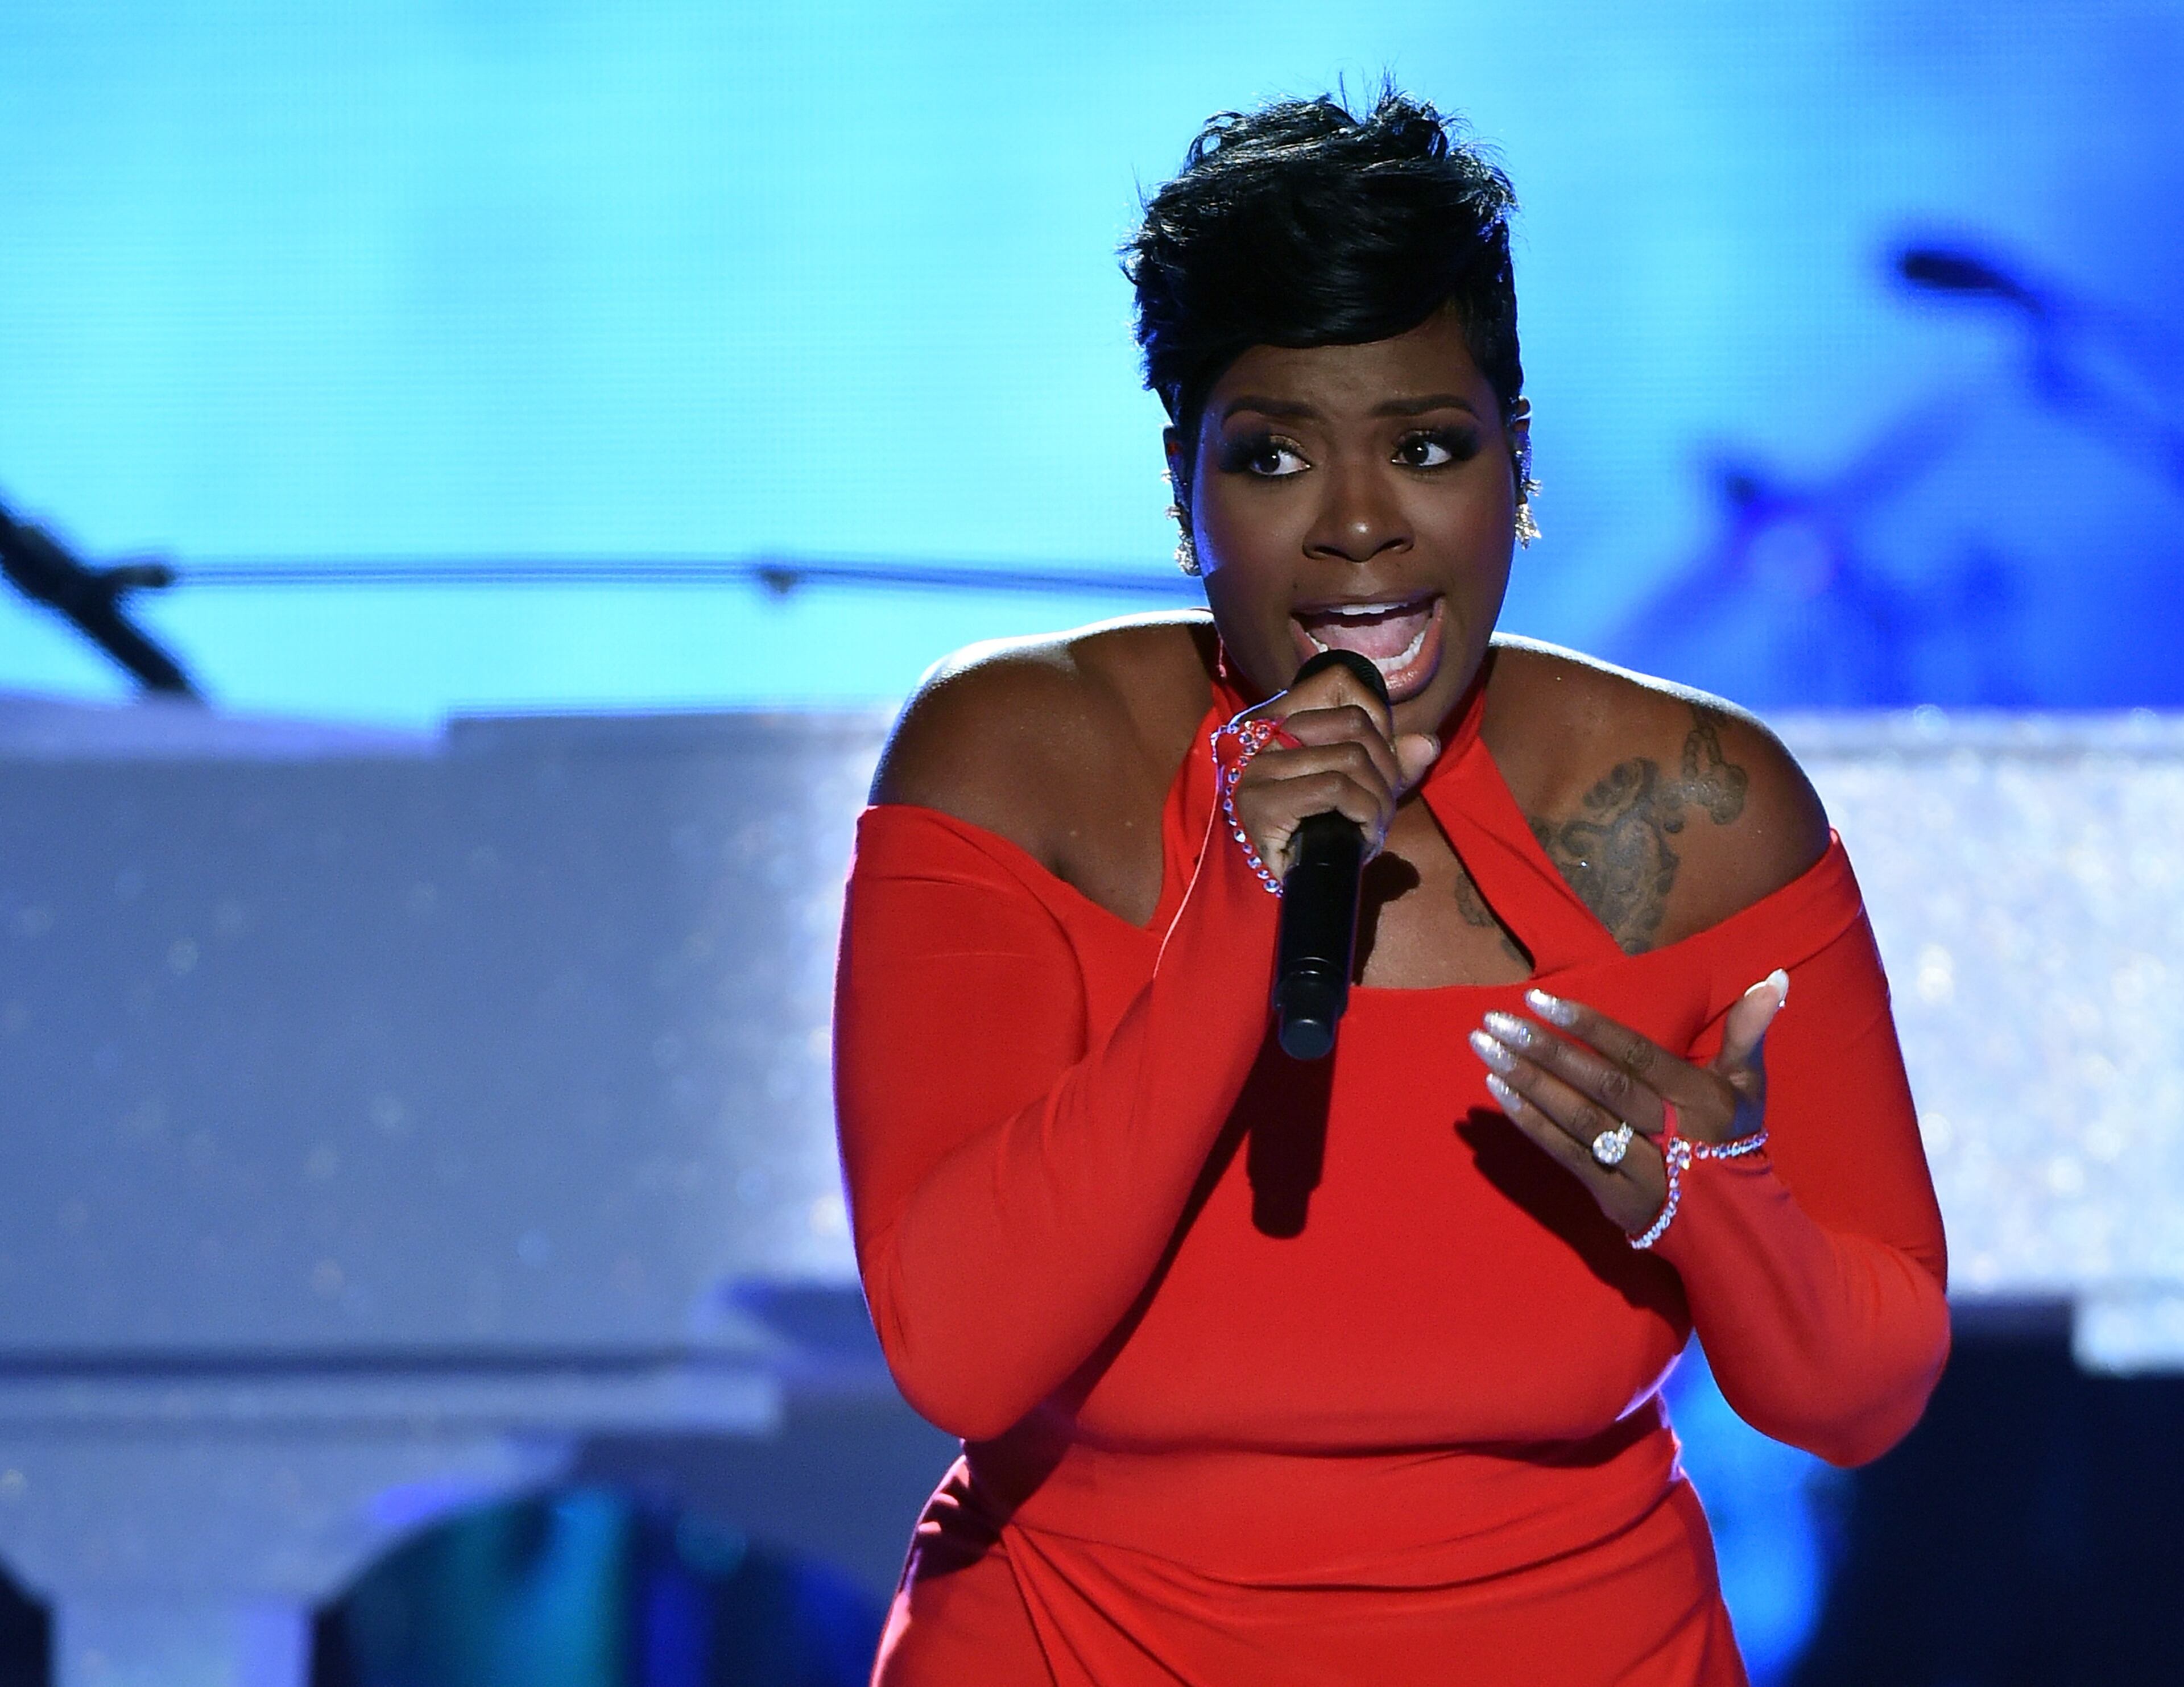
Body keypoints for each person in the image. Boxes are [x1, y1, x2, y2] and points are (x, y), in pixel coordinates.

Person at [833, 88, 1948, 1686]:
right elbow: (962, 1342)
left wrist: (1706, 1202)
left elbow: (1861, 1394)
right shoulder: (1017, 762)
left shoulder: (1702, 812)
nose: (1360, 527)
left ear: (1518, 463)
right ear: (1181, 492)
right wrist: (1240, 896)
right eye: (1274, 455)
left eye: (1428, 448)